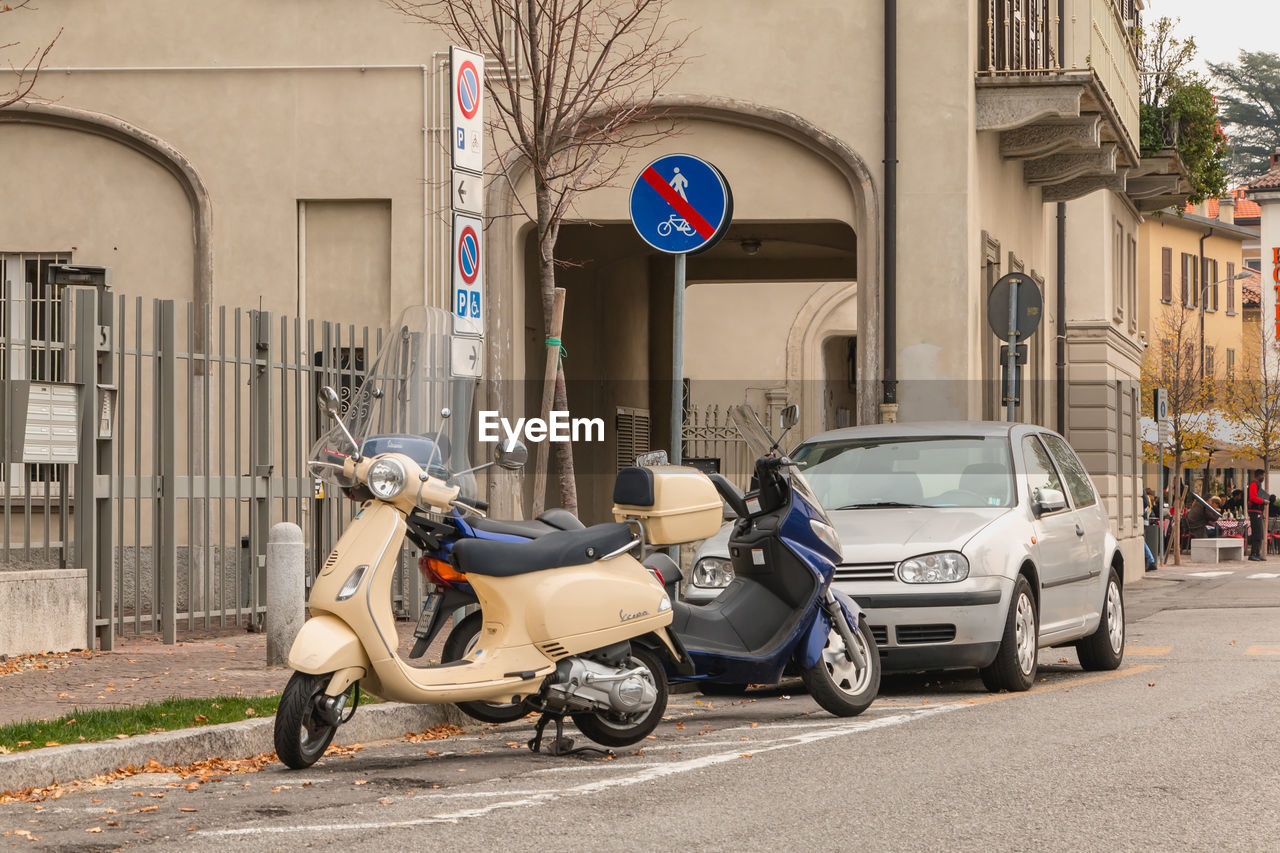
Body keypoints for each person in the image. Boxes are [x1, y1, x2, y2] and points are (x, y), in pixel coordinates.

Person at [1247, 470, 1269, 561]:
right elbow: (1252, 497)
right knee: (1256, 533)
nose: (1263, 477)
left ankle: (1257, 553)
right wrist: (1263, 501)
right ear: (1258, 475)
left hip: (1258, 511)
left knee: (1259, 533)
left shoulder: (1257, 485)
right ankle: (1253, 554)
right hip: (1254, 511)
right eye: (1262, 475)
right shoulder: (1253, 484)